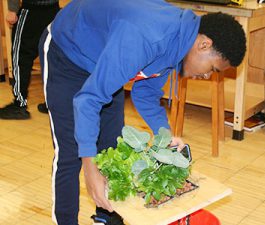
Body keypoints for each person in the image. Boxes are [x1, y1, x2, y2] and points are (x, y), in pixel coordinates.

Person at [38, 0, 246, 224]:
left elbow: (145, 92)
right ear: (204, 45)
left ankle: (106, 220)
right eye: (212, 69)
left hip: (106, 59)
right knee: (72, 153)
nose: (206, 76)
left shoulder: (176, 44)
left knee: (111, 151)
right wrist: (89, 168)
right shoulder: (148, 37)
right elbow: (88, 100)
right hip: (67, 53)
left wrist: (164, 136)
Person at [0, 0, 60, 119]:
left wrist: (12, 9)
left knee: (21, 55)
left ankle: (19, 105)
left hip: (32, 10)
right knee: (52, 57)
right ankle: (53, 103)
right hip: (54, 11)